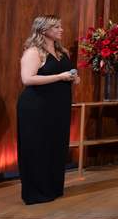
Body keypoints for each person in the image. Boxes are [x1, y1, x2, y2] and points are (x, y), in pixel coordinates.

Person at [16, 15, 79, 205]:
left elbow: (70, 74)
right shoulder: (34, 52)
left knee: (56, 146)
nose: (61, 30)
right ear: (44, 30)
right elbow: (27, 79)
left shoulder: (63, 51)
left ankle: (52, 187)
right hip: (35, 108)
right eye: (56, 27)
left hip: (58, 107)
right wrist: (60, 76)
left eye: (60, 26)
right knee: (37, 147)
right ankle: (36, 192)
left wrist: (74, 78)